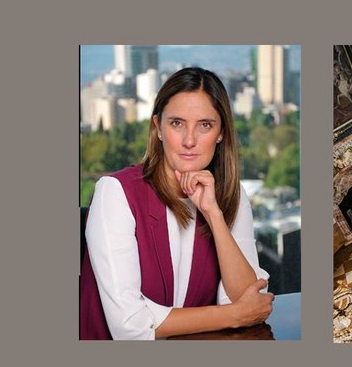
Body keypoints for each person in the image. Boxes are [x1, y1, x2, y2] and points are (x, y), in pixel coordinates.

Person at [80, 67, 273, 340]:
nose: (189, 141)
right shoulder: (115, 193)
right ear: (158, 127)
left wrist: (214, 215)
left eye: (205, 125)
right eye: (177, 123)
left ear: (221, 133)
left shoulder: (232, 195)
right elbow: (130, 327)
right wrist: (232, 315)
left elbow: (250, 300)